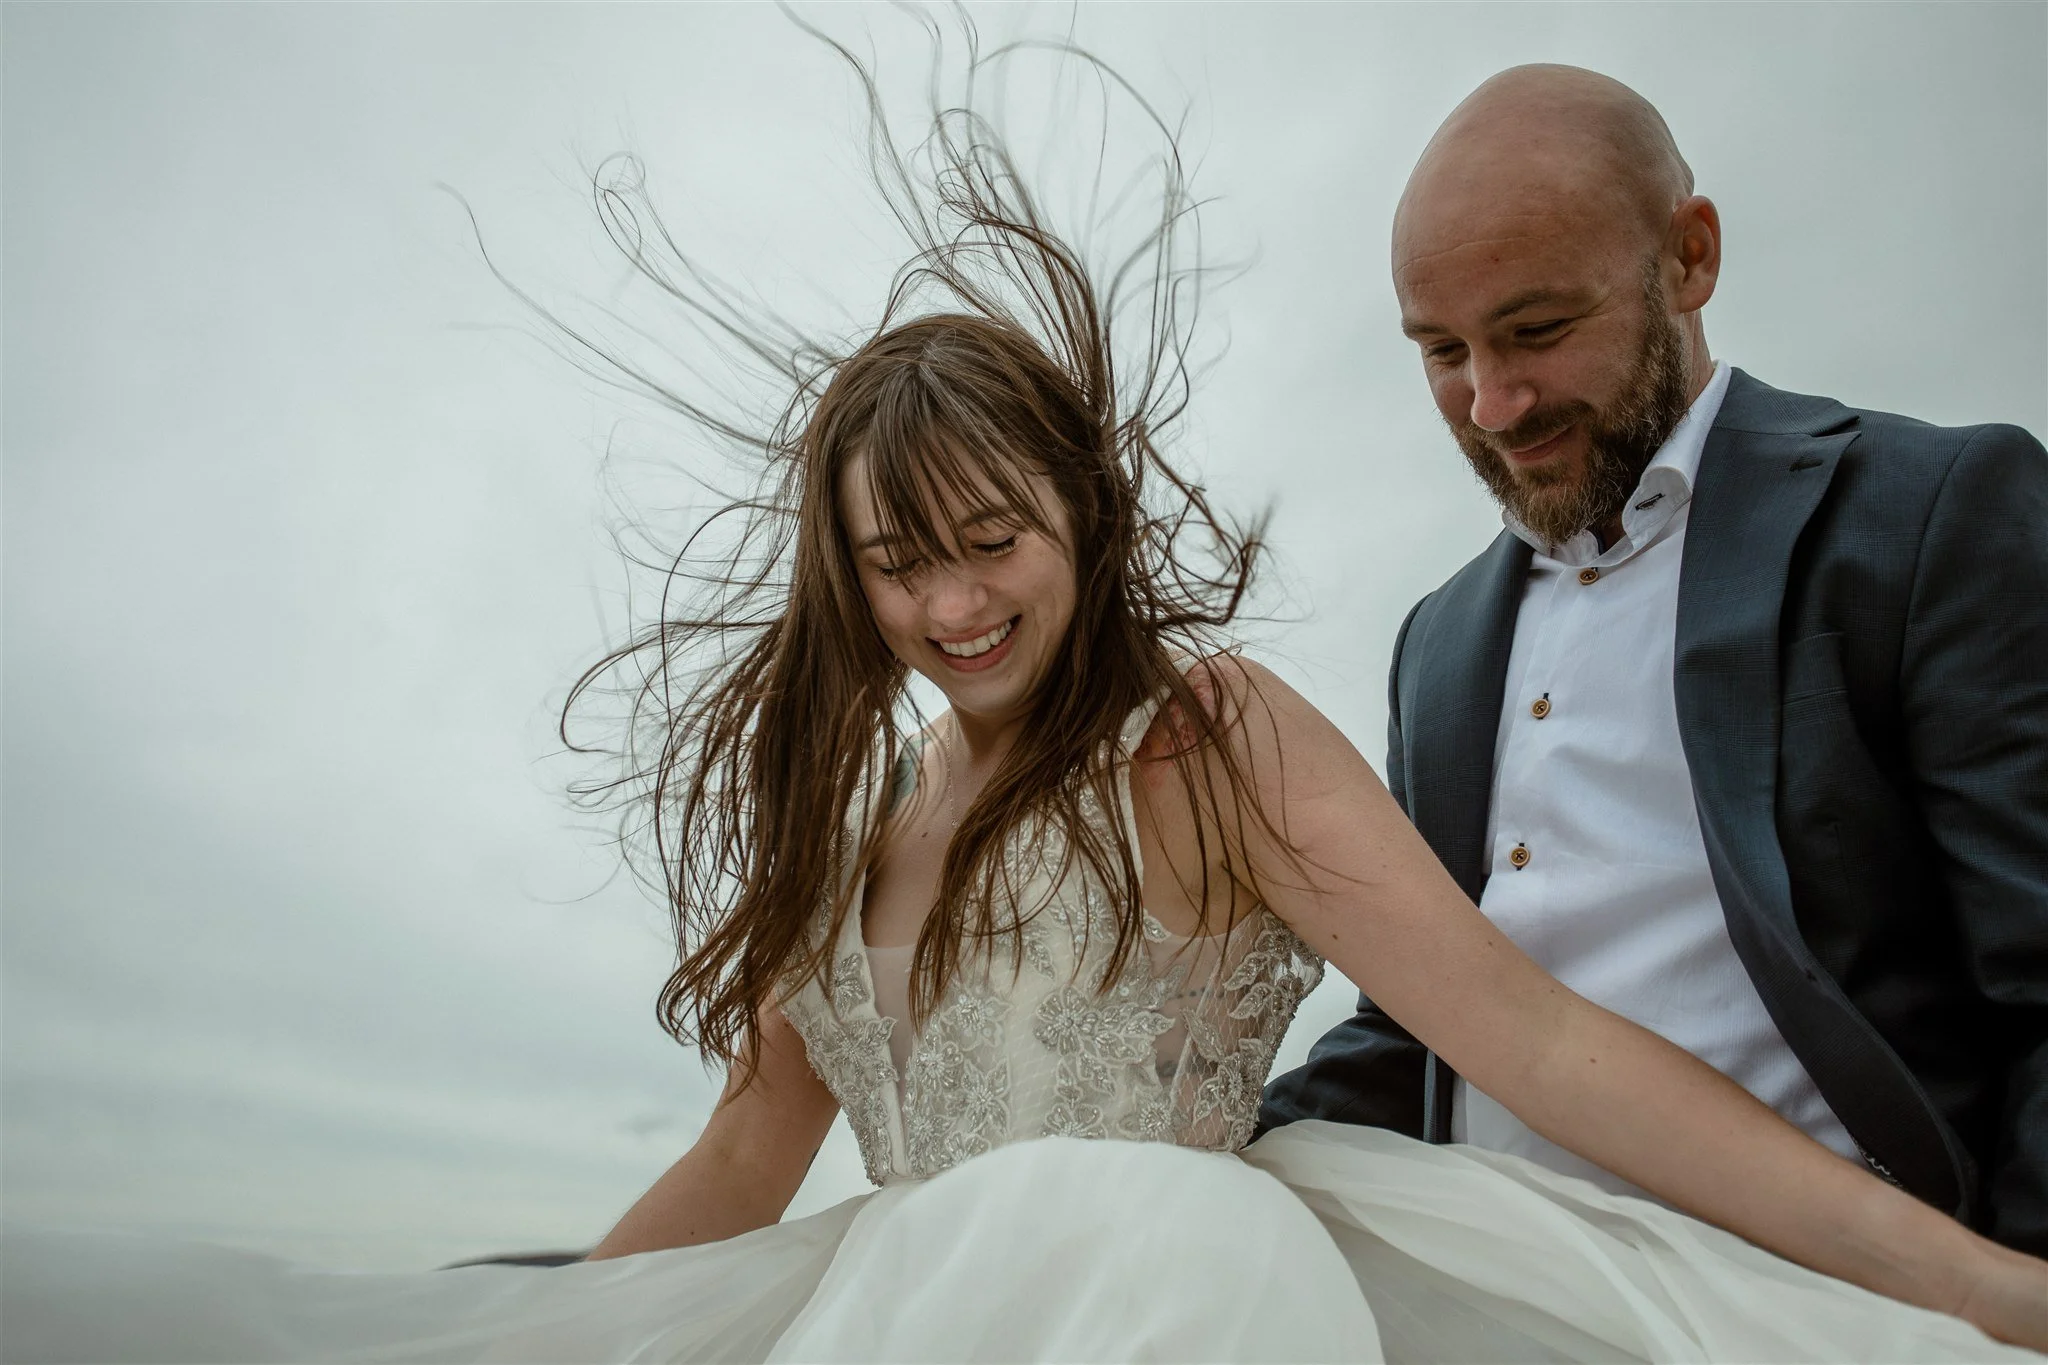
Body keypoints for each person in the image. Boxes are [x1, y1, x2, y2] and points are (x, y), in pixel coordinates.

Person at [5, 39, 2045, 1365]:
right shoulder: (848, 826)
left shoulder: (1212, 739)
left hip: (1198, 1300)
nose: (954, 601)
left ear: (1078, 506)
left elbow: (1528, 1030)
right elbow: (740, 1161)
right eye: (899, 564)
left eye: (991, 537)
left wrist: (1983, 1287)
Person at [1259, 62, 2048, 1263]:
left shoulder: (1928, 514)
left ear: (1687, 257)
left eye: (1534, 330)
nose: (1491, 402)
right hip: (1476, 1299)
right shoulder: (1436, 643)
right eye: (1440, 351)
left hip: (1833, 1306)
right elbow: (1413, 1026)